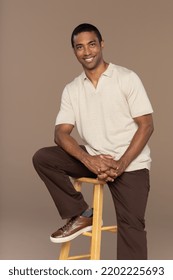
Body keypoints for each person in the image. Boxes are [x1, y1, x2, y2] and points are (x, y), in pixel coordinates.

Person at [33, 23, 154, 260]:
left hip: (130, 162)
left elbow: (146, 125)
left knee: (132, 228)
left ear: (101, 45)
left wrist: (120, 164)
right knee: (44, 158)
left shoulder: (126, 78)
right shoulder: (72, 89)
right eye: (80, 47)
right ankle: (82, 213)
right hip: (93, 156)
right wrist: (89, 160)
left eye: (91, 44)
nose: (87, 52)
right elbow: (60, 133)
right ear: (74, 51)